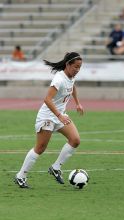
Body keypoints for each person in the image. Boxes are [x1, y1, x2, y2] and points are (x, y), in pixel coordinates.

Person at [14, 52, 84, 188]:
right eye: (75, 67)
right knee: (40, 148)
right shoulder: (59, 79)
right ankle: (20, 176)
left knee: (75, 140)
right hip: (48, 116)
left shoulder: (71, 77)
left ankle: (56, 167)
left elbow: (72, 86)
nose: (77, 70)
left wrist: (77, 103)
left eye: (79, 67)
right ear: (68, 64)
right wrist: (59, 116)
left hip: (59, 115)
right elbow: (47, 99)